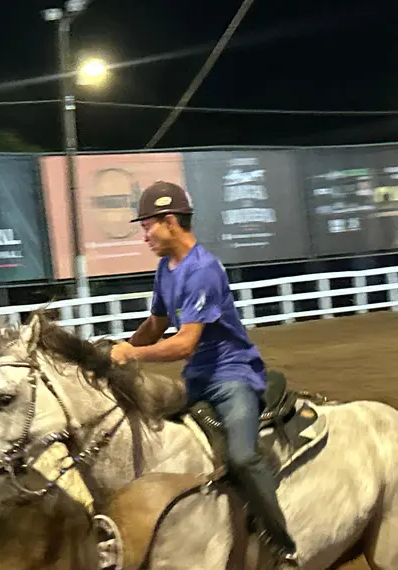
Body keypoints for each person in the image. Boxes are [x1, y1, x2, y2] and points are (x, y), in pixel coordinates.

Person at [108, 181, 299, 566]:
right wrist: (118, 351)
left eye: (147, 225)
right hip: (196, 379)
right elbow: (156, 324)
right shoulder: (167, 268)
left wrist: (134, 354)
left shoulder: (203, 271)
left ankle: (283, 547)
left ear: (170, 221)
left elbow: (184, 343)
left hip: (232, 378)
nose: (144, 234)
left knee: (243, 457)